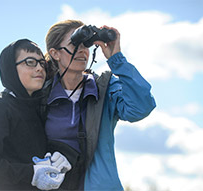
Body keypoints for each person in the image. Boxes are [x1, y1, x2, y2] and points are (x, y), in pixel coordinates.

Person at [44, 20, 156, 190]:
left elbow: (141, 108)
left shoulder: (104, 88)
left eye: (86, 44)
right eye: (75, 43)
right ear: (55, 53)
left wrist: (117, 60)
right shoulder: (42, 94)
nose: (82, 50)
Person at [0, 39, 71, 190]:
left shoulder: (38, 110)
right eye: (30, 62)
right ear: (11, 69)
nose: (39, 68)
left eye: (42, 63)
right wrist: (31, 173)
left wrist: (53, 161)